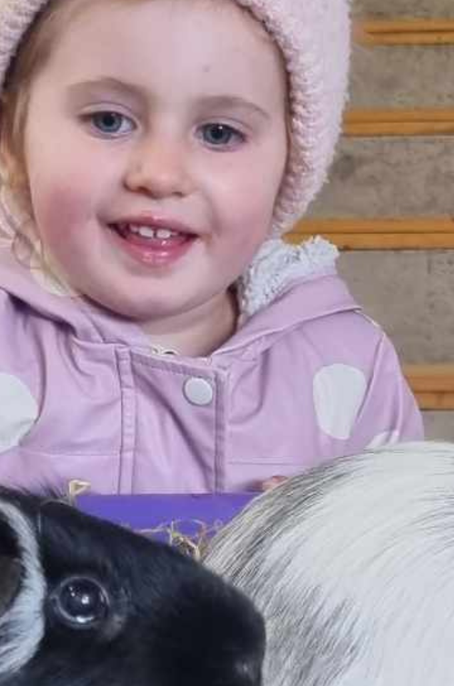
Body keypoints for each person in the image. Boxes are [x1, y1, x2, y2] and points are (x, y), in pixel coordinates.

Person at [0, 0, 423, 494]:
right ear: (10, 138)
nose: (160, 174)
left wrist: (336, 546)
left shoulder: (350, 365)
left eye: (219, 133)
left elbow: (407, 555)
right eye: (109, 121)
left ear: (292, 161)